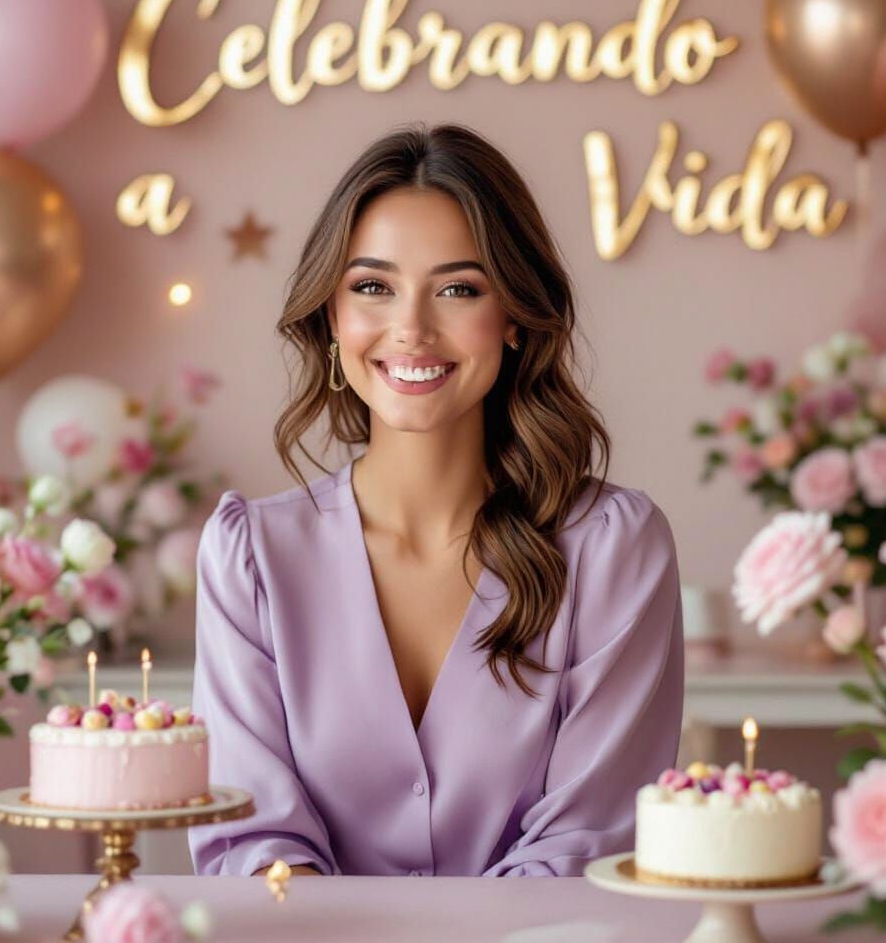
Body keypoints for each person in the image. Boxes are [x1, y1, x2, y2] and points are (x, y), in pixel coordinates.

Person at [188, 122, 684, 878]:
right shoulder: (249, 558)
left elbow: (589, 842)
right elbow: (251, 843)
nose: (412, 329)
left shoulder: (614, 550)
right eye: (372, 287)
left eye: (458, 288)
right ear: (331, 317)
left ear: (515, 314)